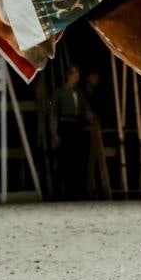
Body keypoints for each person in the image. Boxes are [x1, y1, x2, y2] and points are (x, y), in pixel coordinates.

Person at [49, 64, 97, 200]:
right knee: (63, 159)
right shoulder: (59, 93)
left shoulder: (79, 94)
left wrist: (93, 118)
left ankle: (75, 192)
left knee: (77, 159)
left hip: (76, 126)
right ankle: (58, 193)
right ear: (68, 76)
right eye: (74, 75)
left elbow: (86, 109)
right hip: (65, 126)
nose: (76, 78)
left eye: (78, 75)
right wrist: (54, 133)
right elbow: (53, 114)